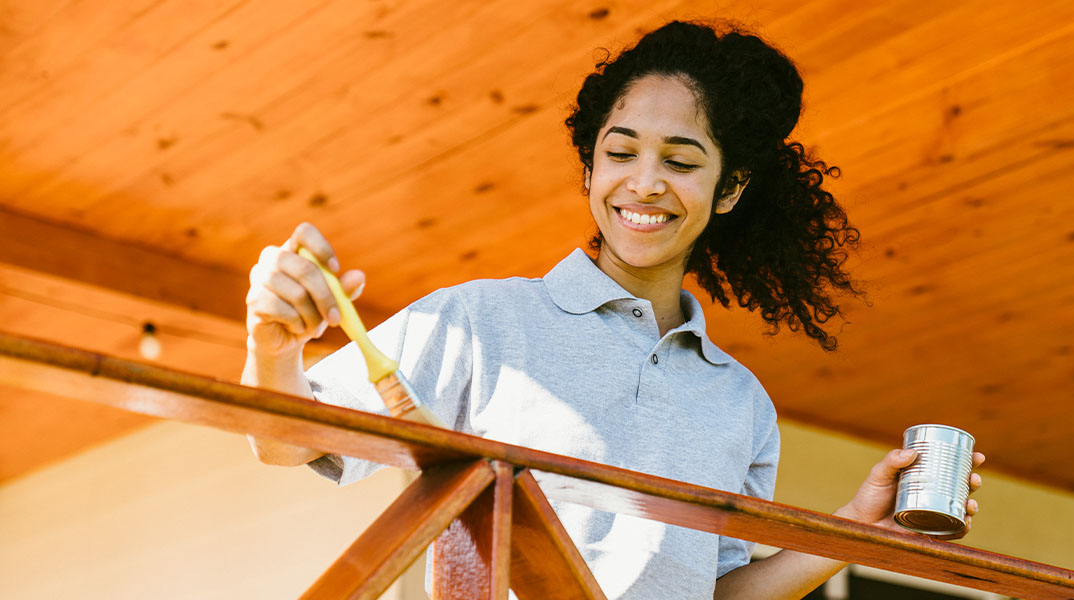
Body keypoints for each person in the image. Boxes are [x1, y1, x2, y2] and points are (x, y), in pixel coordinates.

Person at [244, 20, 984, 599]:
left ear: (729, 190)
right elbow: (288, 443)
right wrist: (274, 345)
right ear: (590, 167)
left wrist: (857, 528)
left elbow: (715, 595)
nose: (644, 183)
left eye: (682, 161)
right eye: (620, 151)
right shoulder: (482, 320)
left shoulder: (739, 402)